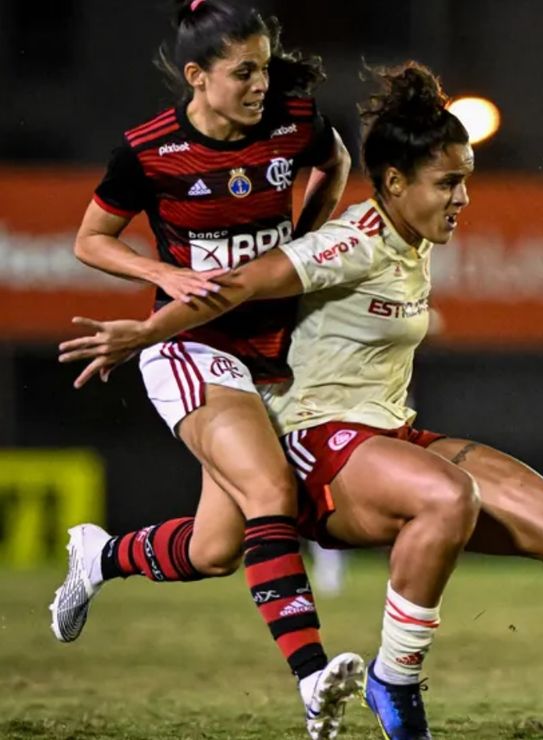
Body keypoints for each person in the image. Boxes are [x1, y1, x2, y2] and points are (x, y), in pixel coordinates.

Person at [58, 61, 543, 740]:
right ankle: (393, 684)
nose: (463, 198)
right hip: (309, 444)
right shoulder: (354, 242)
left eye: (467, 181)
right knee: (445, 498)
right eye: (449, 183)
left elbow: (327, 167)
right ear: (394, 181)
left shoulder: (410, 236)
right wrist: (144, 331)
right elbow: (243, 281)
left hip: (382, 436)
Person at [48, 2, 365, 737]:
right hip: (187, 345)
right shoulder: (150, 150)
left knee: (216, 548)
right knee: (269, 489)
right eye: (243, 71)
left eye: (264, 66)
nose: (261, 84)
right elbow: (91, 240)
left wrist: (301, 243)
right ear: (197, 76)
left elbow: (336, 161)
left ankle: (101, 556)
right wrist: (166, 273)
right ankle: (313, 677)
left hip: (268, 347)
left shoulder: (291, 120)